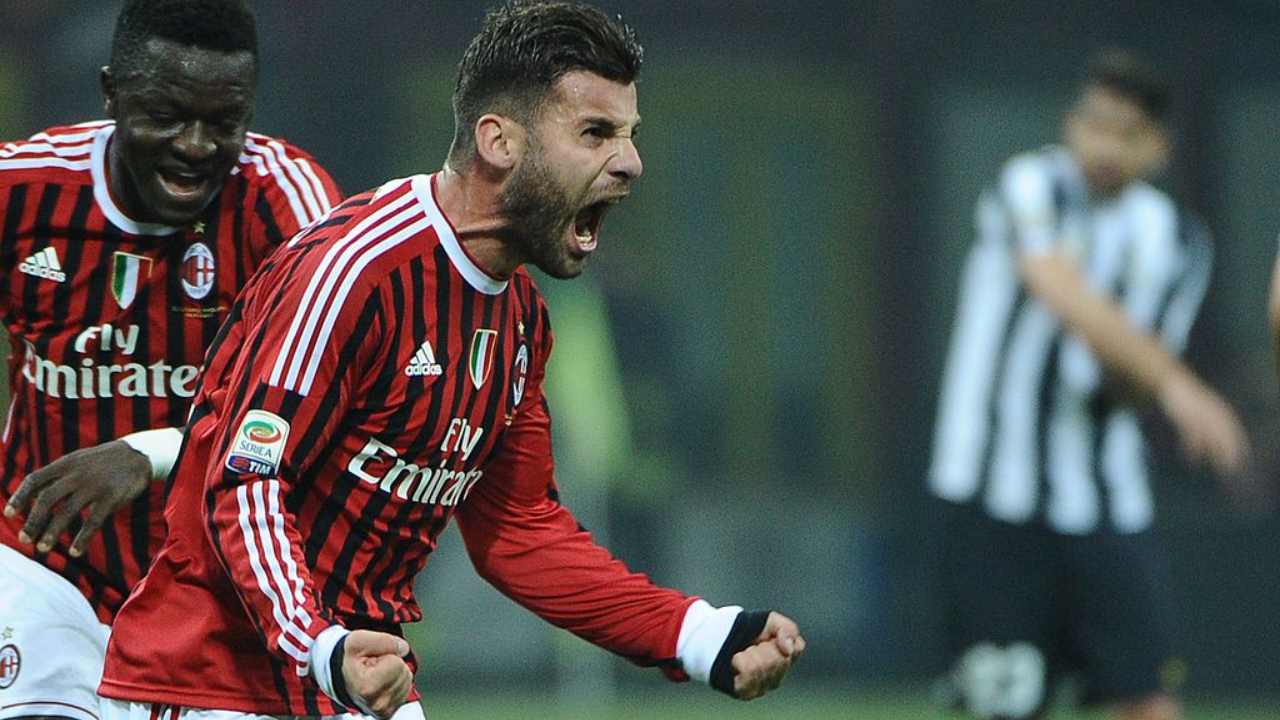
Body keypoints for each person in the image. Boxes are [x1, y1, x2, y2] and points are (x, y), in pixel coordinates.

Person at [97, 2, 804, 718]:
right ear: (499, 141)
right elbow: (248, 480)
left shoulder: (520, 320)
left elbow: (520, 532)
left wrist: (700, 635)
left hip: (353, 674)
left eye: (629, 135)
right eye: (595, 133)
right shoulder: (355, 271)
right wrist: (321, 645)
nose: (630, 163)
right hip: (219, 680)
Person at [0, 1, 341, 716]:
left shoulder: (289, 208)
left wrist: (146, 453)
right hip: (41, 563)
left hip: (218, 582)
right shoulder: (22, 191)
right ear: (111, 94)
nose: (194, 146)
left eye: (223, 123)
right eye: (165, 115)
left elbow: (320, 418)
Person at [928, 50, 1249, 720]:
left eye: (1126, 133)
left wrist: (1141, 373)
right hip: (993, 491)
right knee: (1007, 702)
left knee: (1149, 698)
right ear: (1071, 124)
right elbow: (1053, 283)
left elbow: (1132, 390)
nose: (1105, 146)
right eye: (1094, 124)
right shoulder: (1030, 185)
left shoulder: (1178, 241)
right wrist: (1180, 386)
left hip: (1105, 498)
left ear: (1158, 147)